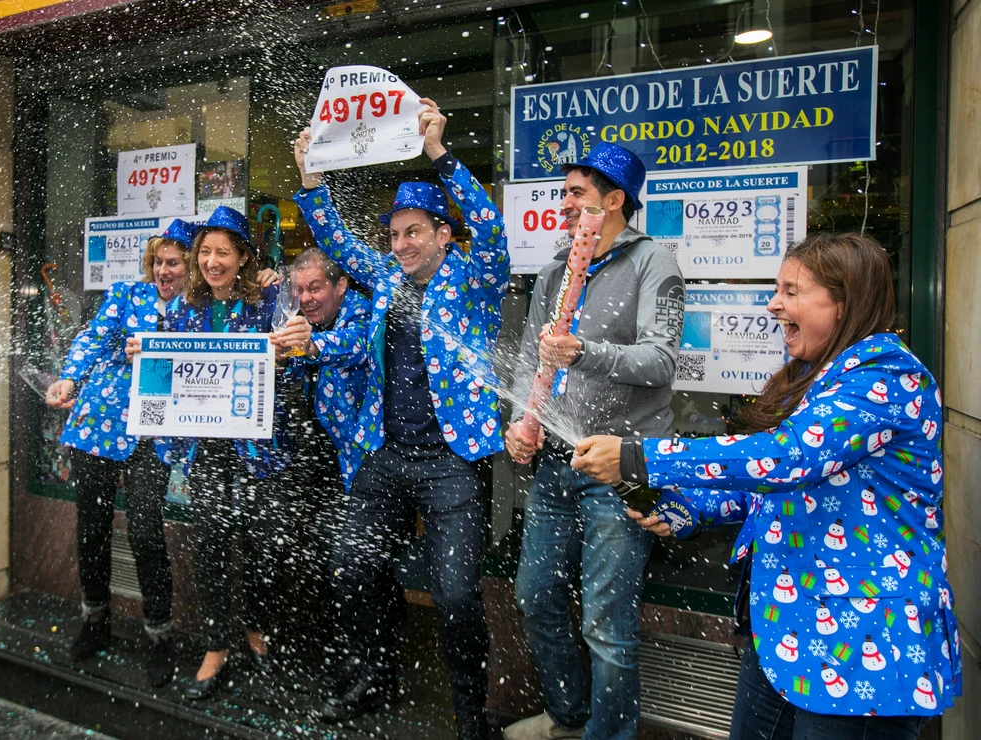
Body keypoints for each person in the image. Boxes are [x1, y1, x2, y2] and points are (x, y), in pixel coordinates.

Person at [572, 232, 961, 738]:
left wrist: (638, 456)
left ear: (844, 303)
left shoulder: (884, 377)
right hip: (788, 632)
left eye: (792, 291)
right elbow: (781, 486)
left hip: (864, 649)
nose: (774, 304)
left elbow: (789, 458)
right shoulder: (822, 376)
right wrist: (691, 509)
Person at [292, 98, 509, 740]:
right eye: (394, 233)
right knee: (351, 564)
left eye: (414, 231)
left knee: (457, 595)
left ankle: (471, 711)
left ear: (444, 234)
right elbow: (336, 242)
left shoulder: (476, 279)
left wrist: (438, 151)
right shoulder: (384, 280)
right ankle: (373, 675)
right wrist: (310, 178)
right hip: (383, 455)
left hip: (450, 461)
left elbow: (492, 228)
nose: (401, 243)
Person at [501, 142, 684, 740]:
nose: (565, 204)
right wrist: (523, 421)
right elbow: (531, 357)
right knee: (535, 598)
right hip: (555, 464)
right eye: (563, 193)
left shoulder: (655, 262)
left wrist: (586, 351)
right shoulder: (555, 270)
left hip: (621, 468)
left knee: (607, 623)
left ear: (613, 201)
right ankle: (569, 719)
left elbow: (663, 360)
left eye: (576, 193)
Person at [129, 205, 294, 701]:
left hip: (261, 449)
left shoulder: (270, 298)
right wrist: (146, 356)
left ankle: (258, 633)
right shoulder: (183, 309)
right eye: (205, 251)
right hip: (207, 449)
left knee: (266, 547)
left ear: (244, 256)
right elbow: (167, 373)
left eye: (224, 251)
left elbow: (295, 362)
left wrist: (285, 356)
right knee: (209, 549)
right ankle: (216, 645)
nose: (212, 261)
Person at [44, 218, 198, 685]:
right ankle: (95, 618)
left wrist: (158, 351)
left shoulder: (200, 306)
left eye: (173, 263)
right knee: (92, 528)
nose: (163, 271)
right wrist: (70, 375)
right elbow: (93, 336)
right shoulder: (127, 294)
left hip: (154, 432)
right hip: (100, 424)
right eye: (157, 262)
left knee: (147, 531)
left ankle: (159, 635)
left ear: (190, 266)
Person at [269, 248, 372, 676]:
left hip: (358, 465)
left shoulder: (363, 314)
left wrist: (307, 345)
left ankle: (360, 660)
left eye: (315, 287)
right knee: (305, 552)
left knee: (353, 566)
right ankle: (314, 646)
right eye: (298, 289)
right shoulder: (295, 318)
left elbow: (351, 347)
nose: (306, 297)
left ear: (341, 286)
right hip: (307, 458)